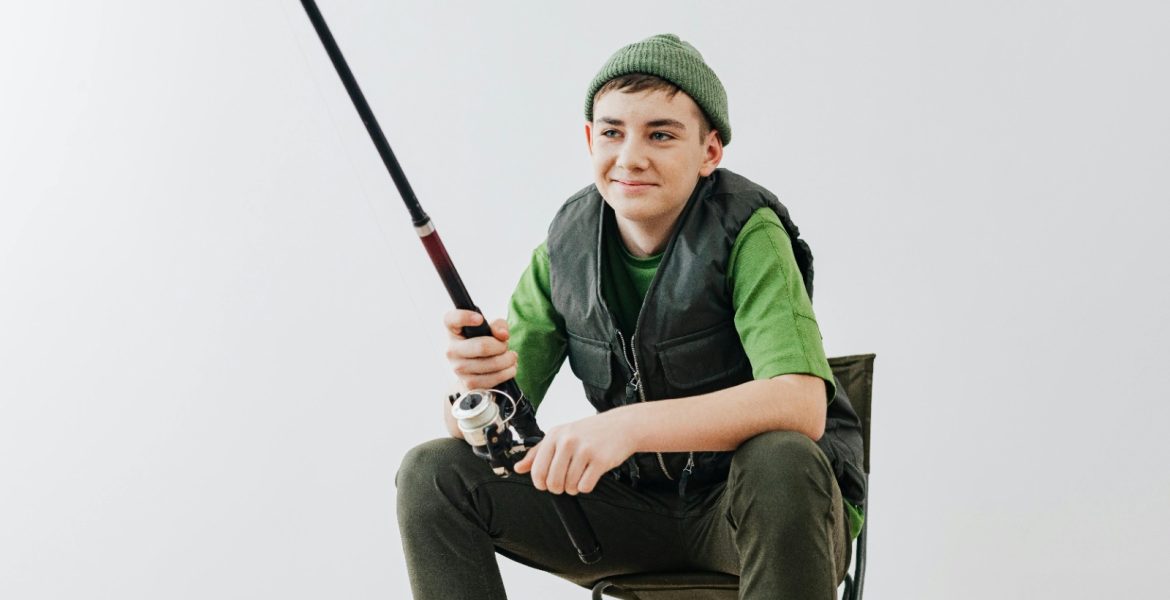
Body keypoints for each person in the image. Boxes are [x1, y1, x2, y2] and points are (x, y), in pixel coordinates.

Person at [396, 33, 866, 600]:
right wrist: (473, 395)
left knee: (781, 457)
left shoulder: (751, 233)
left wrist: (626, 427)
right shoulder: (564, 249)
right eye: (613, 132)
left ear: (710, 152)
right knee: (431, 473)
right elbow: (498, 427)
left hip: (754, 514)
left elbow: (800, 404)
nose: (630, 157)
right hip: (628, 515)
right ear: (590, 139)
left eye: (661, 135)